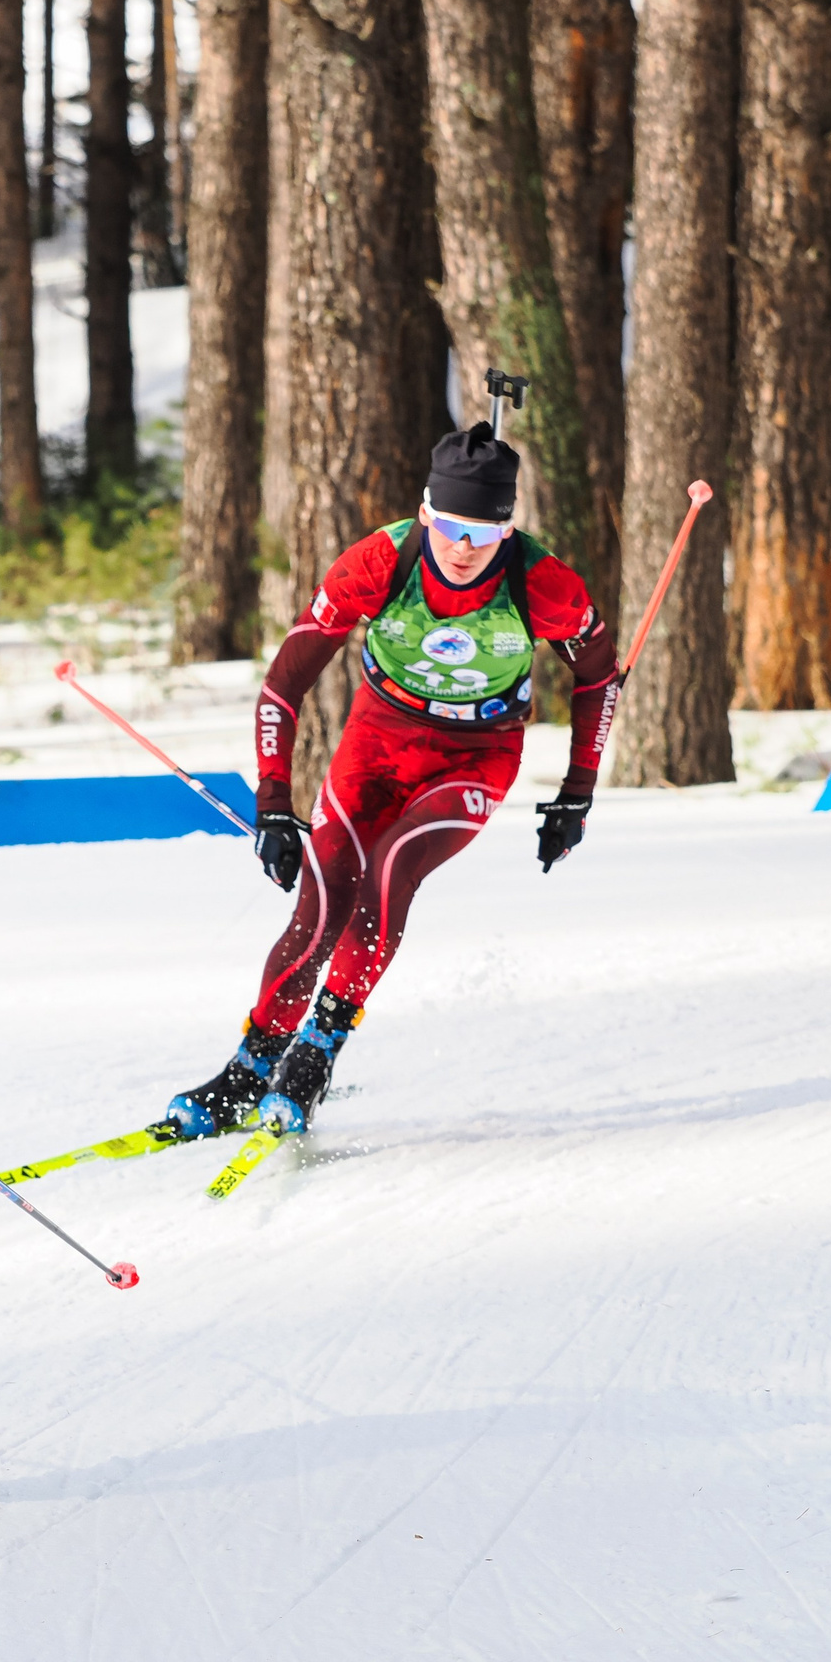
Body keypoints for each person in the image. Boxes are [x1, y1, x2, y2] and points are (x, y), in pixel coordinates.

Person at [167, 422, 618, 1140]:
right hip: (377, 742)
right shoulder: (379, 561)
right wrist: (275, 806)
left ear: (507, 529)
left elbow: (598, 677)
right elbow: (283, 685)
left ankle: (318, 1051)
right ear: (425, 512)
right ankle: (250, 1069)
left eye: (484, 531)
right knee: (321, 902)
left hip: (475, 755)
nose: (463, 547)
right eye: (450, 526)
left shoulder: (543, 584)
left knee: (392, 867)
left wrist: (577, 794)